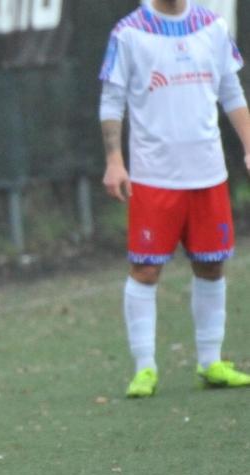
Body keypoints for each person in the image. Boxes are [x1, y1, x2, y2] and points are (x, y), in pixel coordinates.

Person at [100, 0, 250, 398]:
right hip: (153, 177)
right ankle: (144, 368)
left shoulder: (212, 26)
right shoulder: (128, 33)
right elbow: (112, 100)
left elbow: (231, 91)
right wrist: (114, 161)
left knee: (212, 265)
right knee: (145, 270)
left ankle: (211, 362)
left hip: (209, 173)